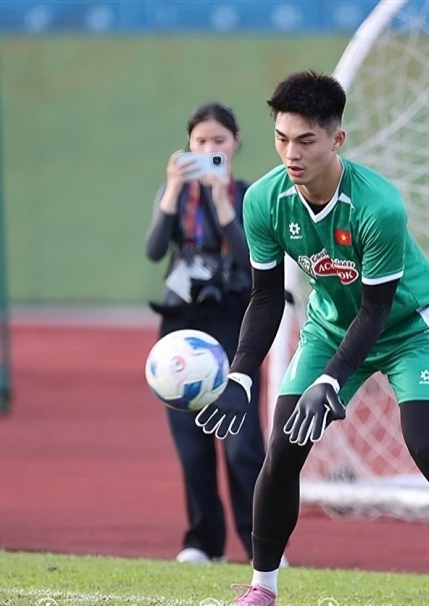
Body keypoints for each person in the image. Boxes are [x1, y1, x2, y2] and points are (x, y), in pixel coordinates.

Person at [195, 71, 429, 606]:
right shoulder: (264, 201)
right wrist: (241, 375)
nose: (290, 153)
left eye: (305, 140)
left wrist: (330, 381)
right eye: (281, 138)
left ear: (336, 140)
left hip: (411, 327)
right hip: (330, 325)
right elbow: (267, 298)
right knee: (284, 448)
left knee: (428, 446)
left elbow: (377, 308)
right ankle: (262, 589)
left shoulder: (378, 207)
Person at [144, 101, 267, 565]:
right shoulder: (175, 194)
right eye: (200, 142)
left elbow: (247, 257)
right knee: (191, 445)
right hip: (182, 325)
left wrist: (221, 202)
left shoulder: (249, 195)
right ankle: (202, 542)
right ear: (188, 146)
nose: (210, 149)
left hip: (234, 322)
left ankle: (262, 546)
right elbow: (155, 250)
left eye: (219, 140)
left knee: (242, 446)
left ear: (235, 143)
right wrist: (174, 190)